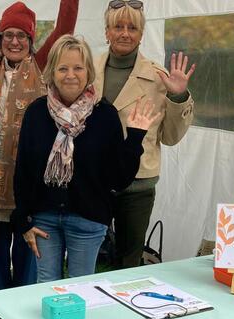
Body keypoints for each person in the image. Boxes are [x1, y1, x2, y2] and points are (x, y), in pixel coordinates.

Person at [0, 0, 79, 290]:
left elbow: (65, 26)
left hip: (27, 186)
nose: (15, 41)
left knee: (28, 254)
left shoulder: (43, 64)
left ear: (31, 41)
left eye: (22, 35)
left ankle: (21, 315)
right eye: (8, 34)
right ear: (0, 38)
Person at [11, 35, 160, 282]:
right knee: (47, 285)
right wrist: (23, 220)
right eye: (63, 68)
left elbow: (118, 179)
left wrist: (134, 137)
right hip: (43, 218)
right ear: (52, 72)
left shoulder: (105, 115)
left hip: (88, 219)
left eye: (78, 68)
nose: (71, 75)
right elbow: (23, 171)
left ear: (89, 71)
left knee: (81, 288)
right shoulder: (37, 113)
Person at [93, 0, 196, 269]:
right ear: (107, 31)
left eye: (132, 27)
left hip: (137, 183)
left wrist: (178, 95)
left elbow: (171, 137)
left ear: (141, 33)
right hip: (93, 178)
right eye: (118, 26)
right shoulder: (87, 70)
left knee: (128, 258)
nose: (125, 33)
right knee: (91, 254)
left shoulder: (159, 77)